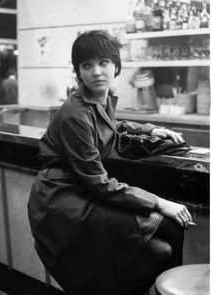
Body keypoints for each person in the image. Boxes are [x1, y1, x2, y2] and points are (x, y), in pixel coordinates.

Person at [28, 30, 193, 295]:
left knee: (171, 231)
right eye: (87, 65)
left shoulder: (99, 98)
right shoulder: (74, 114)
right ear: (78, 72)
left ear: (116, 66)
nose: (96, 71)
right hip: (63, 202)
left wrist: (149, 129)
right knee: (164, 240)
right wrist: (160, 202)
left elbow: (111, 124)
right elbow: (99, 183)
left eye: (103, 62)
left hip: (81, 193)